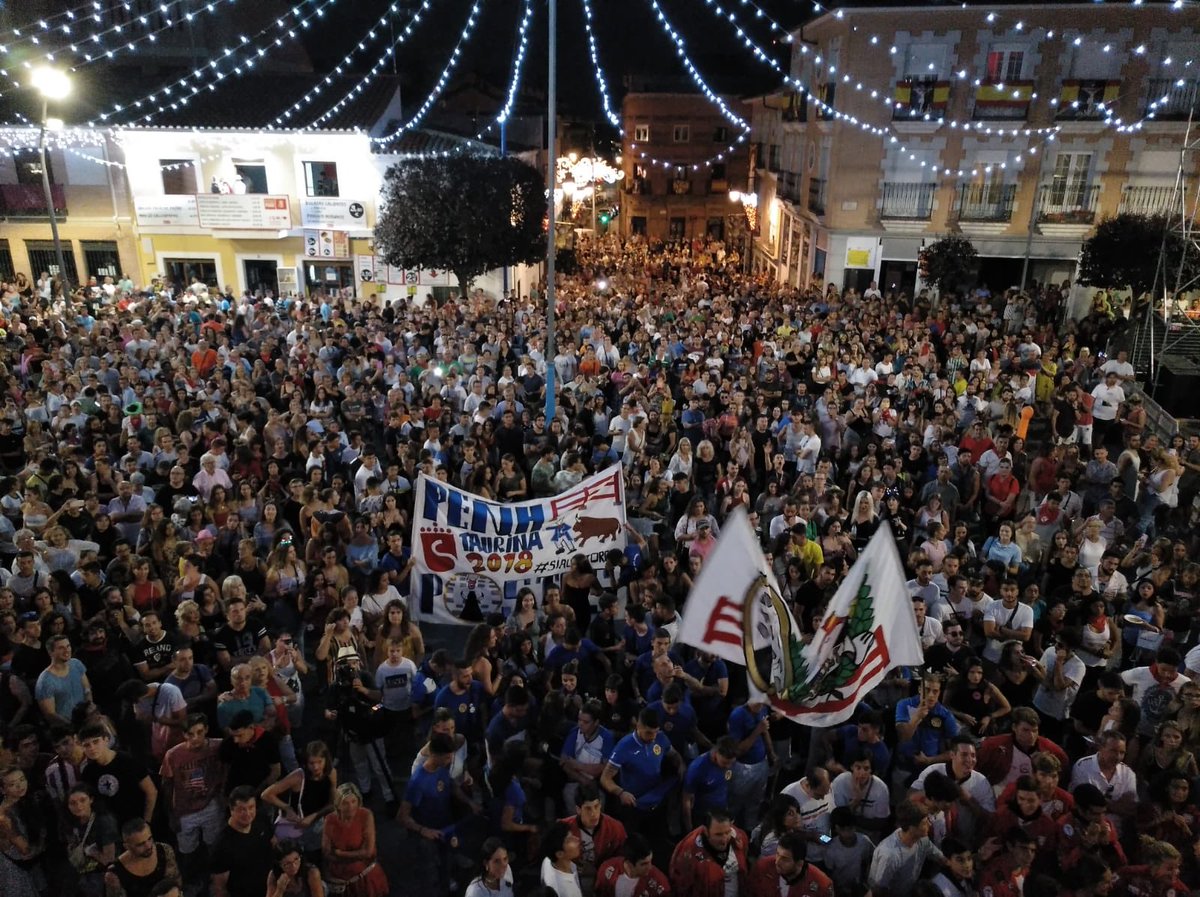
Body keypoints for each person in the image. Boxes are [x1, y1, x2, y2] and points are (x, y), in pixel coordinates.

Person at [867, 799, 946, 897]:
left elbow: (936, 854)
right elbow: (879, 891)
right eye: (924, 823)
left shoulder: (922, 839)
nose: (929, 825)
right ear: (912, 828)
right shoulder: (889, 856)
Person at [321, 782, 388, 897]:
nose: (351, 807)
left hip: (365, 879)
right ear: (338, 804)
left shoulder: (366, 815)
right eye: (345, 803)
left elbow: (368, 852)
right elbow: (326, 852)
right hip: (340, 881)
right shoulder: (330, 819)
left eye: (353, 801)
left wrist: (340, 853)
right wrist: (355, 855)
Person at [209, 786, 274, 897]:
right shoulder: (222, 845)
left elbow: (273, 844)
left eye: (251, 807)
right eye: (241, 809)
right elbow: (219, 887)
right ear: (231, 810)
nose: (247, 813)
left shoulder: (261, 819)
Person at [669, 809, 750, 897]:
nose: (724, 840)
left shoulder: (739, 838)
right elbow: (681, 886)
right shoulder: (688, 851)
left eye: (727, 832)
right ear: (706, 831)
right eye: (718, 835)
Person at [103, 817, 181, 897]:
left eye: (150, 838)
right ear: (127, 847)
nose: (148, 846)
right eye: (140, 844)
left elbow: (175, 883)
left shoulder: (164, 851)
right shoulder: (115, 874)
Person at [747, 830, 835, 897]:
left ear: (799, 863)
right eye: (777, 854)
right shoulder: (762, 867)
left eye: (785, 859)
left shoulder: (821, 884)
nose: (777, 861)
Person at [594, 833, 670, 897]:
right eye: (644, 864)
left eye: (650, 861)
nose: (650, 867)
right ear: (629, 864)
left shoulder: (659, 882)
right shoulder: (607, 870)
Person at [540, 821, 584, 897]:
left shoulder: (547, 860)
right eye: (569, 840)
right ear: (559, 854)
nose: (577, 839)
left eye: (573, 835)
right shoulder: (567, 892)